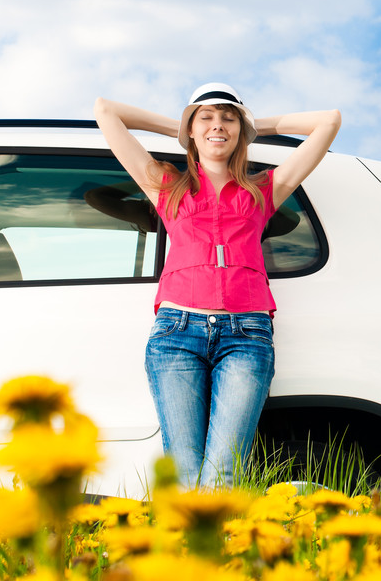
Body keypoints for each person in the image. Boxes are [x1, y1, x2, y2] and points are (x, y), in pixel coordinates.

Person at [94, 83, 341, 489]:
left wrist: (247, 124)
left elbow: (329, 121)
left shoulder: (263, 190)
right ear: (191, 129)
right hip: (177, 333)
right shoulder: (167, 186)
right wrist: (186, 126)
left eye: (227, 118)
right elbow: (106, 110)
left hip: (246, 334)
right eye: (206, 117)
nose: (218, 125)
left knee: (224, 473)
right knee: (185, 472)